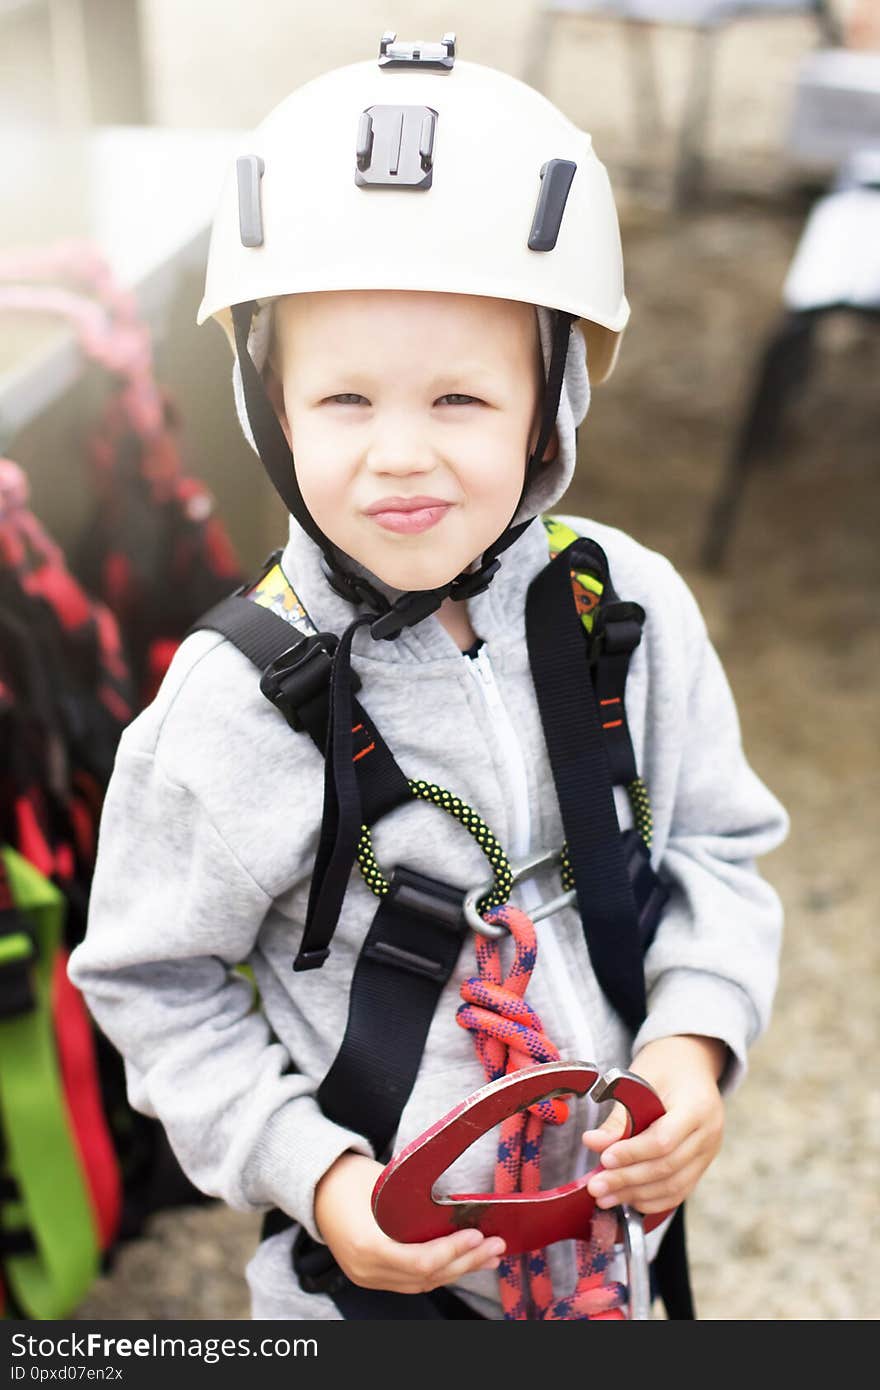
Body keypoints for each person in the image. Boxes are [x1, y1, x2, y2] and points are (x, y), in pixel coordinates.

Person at [68, 32, 789, 1321]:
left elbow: (719, 853)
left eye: (460, 399)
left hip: (612, 1251)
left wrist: (693, 1042)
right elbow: (152, 985)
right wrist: (323, 1179)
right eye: (345, 398)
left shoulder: (623, 616)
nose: (402, 457)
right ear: (269, 407)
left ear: (550, 403)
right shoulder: (226, 716)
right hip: (373, 1289)